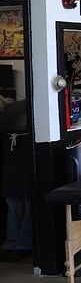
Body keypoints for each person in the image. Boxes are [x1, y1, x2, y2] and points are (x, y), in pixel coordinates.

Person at [0, 98, 33, 262]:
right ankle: (13, 243)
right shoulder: (14, 108)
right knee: (13, 201)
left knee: (27, 202)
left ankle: (22, 244)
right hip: (13, 148)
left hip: (25, 146)